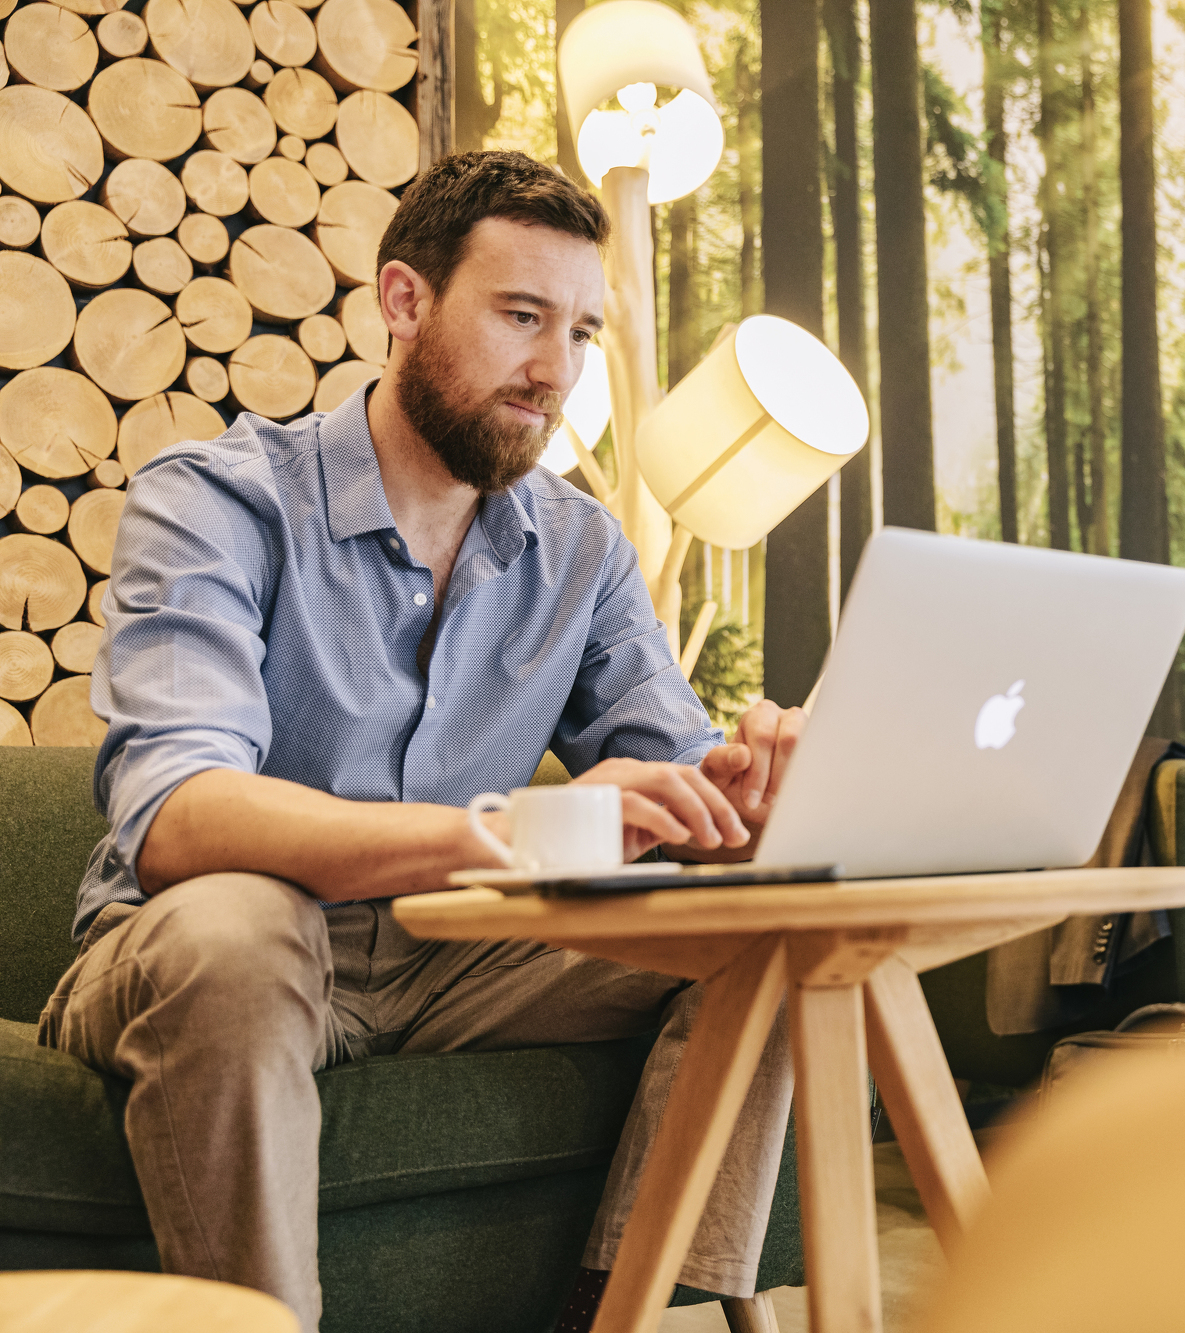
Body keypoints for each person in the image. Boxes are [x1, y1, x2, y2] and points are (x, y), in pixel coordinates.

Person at [36, 152, 805, 1333]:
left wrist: (742, 787)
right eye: (520, 317)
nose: (556, 371)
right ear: (404, 302)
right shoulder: (217, 499)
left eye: (581, 333)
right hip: (204, 948)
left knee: (767, 927)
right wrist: (498, 834)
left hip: (460, 960)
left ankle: (621, 1312)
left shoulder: (580, 549)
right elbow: (183, 816)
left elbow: (678, 783)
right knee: (241, 928)